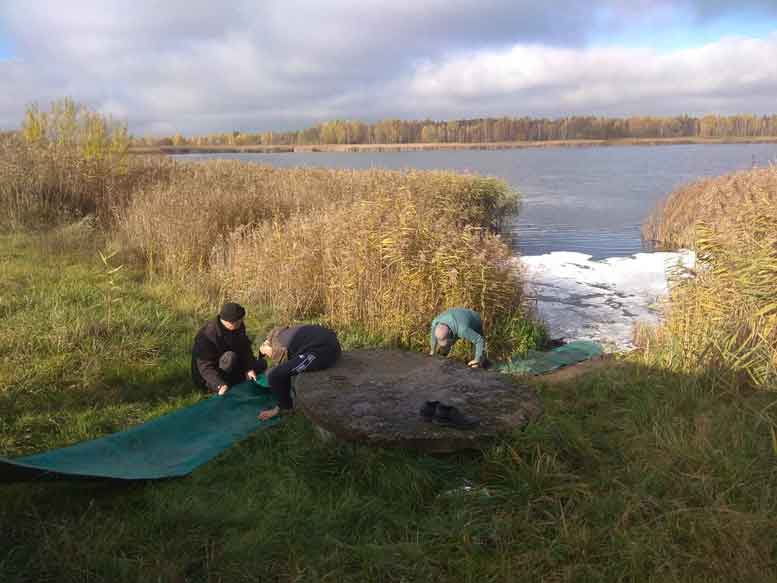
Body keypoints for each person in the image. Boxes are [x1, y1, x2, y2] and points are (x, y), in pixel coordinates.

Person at [257, 324, 341, 420]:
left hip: (322, 350)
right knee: (282, 369)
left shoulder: (278, 349)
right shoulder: (277, 332)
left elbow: (279, 373)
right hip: (327, 337)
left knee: (275, 375)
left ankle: (285, 408)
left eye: (269, 356)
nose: (271, 358)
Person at [191, 302, 265, 395]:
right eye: (239, 320)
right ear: (230, 322)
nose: (241, 322)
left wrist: (249, 368)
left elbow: (245, 348)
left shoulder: (238, 326)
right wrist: (219, 384)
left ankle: (236, 379)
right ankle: (223, 385)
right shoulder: (207, 336)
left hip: (230, 365)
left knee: (261, 364)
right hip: (210, 376)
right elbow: (205, 367)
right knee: (230, 357)